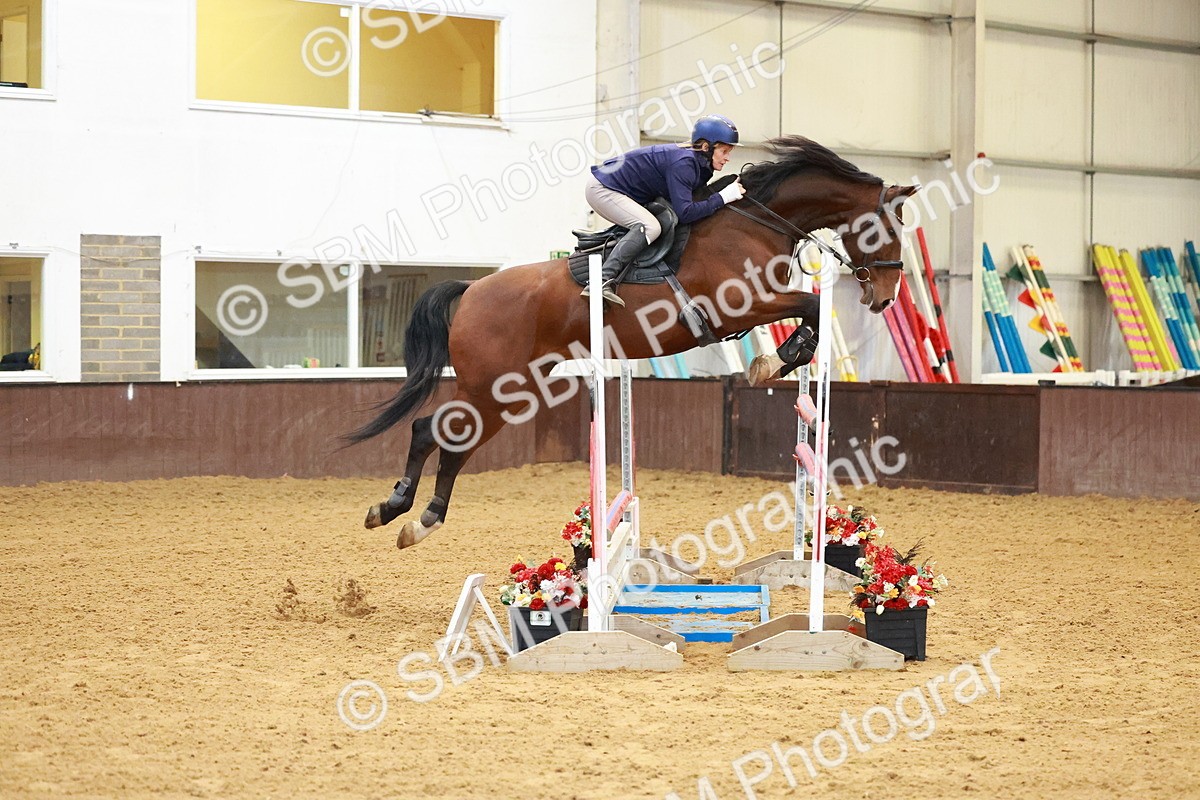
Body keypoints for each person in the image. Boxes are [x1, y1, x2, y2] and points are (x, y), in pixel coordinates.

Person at [582, 114, 746, 306]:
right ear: (705, 147)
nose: (728, 158)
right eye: (724, 151)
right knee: (651, 226)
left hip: (625, 191)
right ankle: (600, 281)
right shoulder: (684, 164)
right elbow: (686, 213)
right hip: (603, 188)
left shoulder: (700, 164)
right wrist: (724, 197)